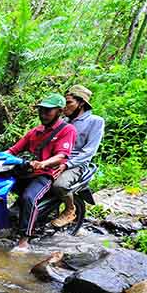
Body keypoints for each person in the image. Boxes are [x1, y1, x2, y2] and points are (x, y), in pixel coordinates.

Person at [4, 93, 76, 251]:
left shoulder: (67, 130)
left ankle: (24, 238)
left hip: (45, 174)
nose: (43, 114)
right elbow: (13, 150)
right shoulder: (35, 131)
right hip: (26, 171)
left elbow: (62, 155)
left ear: (59, 111)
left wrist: (43, 163)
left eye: (48, 111)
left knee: (29, 197)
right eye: (41, 110)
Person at [50, 84, 105, 227]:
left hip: (76, 164)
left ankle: (70, 209)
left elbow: (89, 151)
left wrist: (66, 164)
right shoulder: (64, 122)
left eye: (69, 102)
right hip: (57, 160)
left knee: (59, 185)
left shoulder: (95, 121)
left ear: (81, 103)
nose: (64, 106)